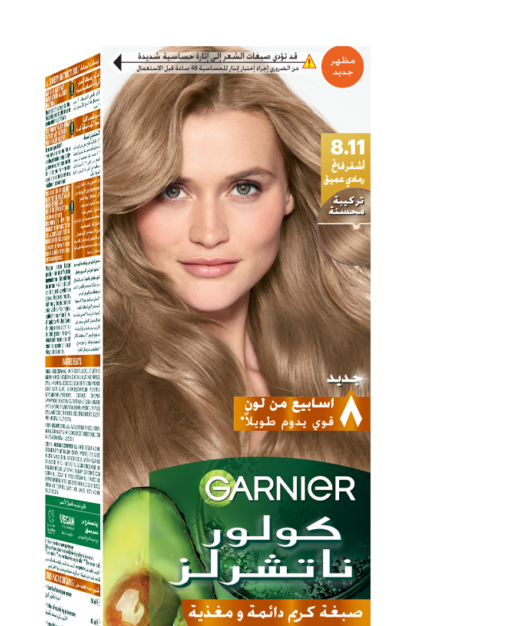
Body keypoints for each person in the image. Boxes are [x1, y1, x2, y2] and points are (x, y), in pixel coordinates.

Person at [103, 48, 370, 509]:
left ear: (289, 193)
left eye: (244, 188)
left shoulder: (354, 373)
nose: (209, 233)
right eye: (172, 191)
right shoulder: (88, 397)